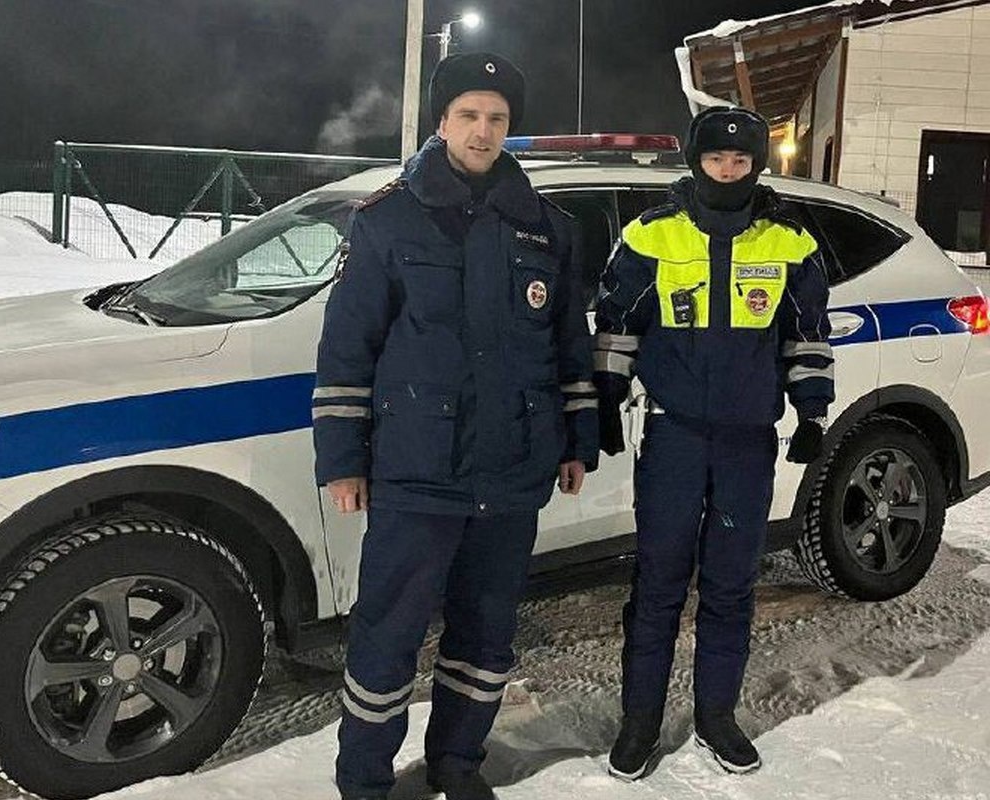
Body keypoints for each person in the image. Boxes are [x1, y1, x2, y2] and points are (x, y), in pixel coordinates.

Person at [312, 52, 600, 800]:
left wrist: (576, 440)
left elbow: (569, 345)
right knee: (387, 635)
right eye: (469, 114)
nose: (482, 130)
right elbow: (347, 349)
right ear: (442, 122)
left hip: (512, 467)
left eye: (497, 118)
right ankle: (363, 781)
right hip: (417, 469)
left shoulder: (546, 229)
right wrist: (342, 460)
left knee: (486, 635)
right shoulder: (388, 220)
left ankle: (457, 763)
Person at [593, 105, 834, 780]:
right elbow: (616, 323)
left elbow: (807, 334)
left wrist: (812, 412)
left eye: (740, 160)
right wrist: (606, 398)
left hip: (747, 444)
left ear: (756, 166)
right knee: (658, 584)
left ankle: (716, 717)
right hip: (674, 436)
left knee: (731, 586)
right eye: (715, 158)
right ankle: (640, 722)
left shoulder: (790, 242)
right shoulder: (651, 235)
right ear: (695, 161)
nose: (727, 171)